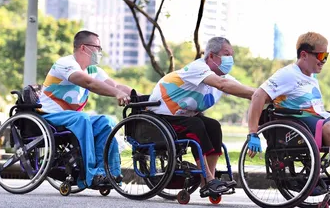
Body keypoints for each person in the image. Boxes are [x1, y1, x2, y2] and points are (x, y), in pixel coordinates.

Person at [245, 31, 330, 192]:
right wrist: (252, 132)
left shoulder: (311, 76)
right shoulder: (288, 74)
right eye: (320, 56)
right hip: (295, 123)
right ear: (304, 55)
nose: (324, 61)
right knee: (328, 127)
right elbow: (258, 95)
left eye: (326, 56)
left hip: (314, 119)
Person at [148, 37, 255, 197]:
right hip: (162, 117)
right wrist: (261, 95)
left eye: (232, 55)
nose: (230, 59)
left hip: (184, 117)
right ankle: (208, 178)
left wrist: (270, 95)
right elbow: (222, 85)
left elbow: (245, 90)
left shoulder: (222, 77)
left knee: (213, 126)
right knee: (196, 125)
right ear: (211, 56)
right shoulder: (198, 68)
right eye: (226, 54)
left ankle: (208, 182)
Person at [39, 30, 132, 188]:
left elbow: (115, 85)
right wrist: (117, 94)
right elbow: (88, 83)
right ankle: (91, 174)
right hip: (49, 117)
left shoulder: (93, 70)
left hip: (72, 118)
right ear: (83, 48)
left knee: (106, 121)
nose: (99, 52)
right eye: (97, 47)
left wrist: (142, 97)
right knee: (82, 118)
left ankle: (109, 172)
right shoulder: (65, 63)